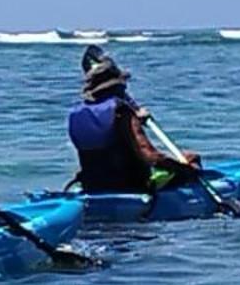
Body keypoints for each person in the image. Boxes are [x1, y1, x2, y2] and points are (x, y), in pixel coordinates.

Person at [67, 46, 202, 193]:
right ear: (118, 84)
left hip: (92, 185)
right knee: (191, 158)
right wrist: (184, 167)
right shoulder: (122, 111)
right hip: (131, 186)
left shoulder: (78, 114)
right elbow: (150, 156)